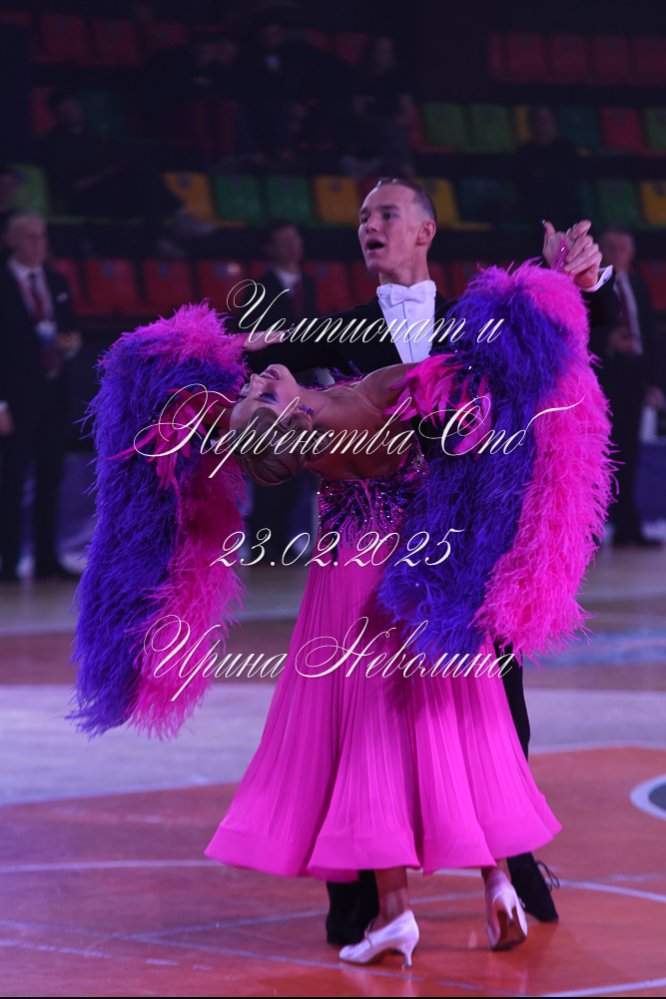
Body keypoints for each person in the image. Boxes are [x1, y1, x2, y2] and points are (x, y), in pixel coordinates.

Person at [240, 177, 620, 936]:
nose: (368, 226)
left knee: (496, 710)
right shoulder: (333, 329)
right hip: (371, 548)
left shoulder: (474, 321)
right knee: (364, 714)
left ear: (425, 229)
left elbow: (568, 342)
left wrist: (575, 283)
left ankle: (511, 868)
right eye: (360, 218)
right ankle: (362, 898)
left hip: (471, 548)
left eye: (385, 213)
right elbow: (249, 373)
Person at [0, 212, 82, 581]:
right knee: (12, 478)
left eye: (42, 236)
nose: (38, 244)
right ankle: (9, 560)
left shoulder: (56, 279)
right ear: (10, 240)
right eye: (30, 237)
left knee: (51, 476)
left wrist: (71, 344)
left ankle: (47, 558)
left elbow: (70, 328)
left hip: (52, 392)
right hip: (14, 397)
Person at [594, 227, 664, 548]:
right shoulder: (591, 284)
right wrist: (608, 341)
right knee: (602, 454)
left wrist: (654, 382)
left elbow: (650, 334)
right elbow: (579, 329)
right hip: (604, 379)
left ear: (631, 252)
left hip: (635, 378)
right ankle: (593, 528)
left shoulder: (637, 283)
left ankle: (628, 526)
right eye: (612, 246)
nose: (618, 253)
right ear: (601, 250)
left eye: (623, 247)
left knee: (629, 453)